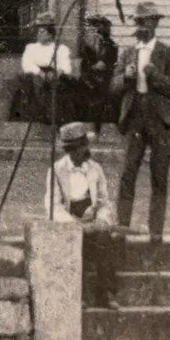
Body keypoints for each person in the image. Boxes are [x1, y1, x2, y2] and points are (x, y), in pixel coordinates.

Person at [113, 1, 170, 244]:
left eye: (146, 21)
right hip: (134, 119)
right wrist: (126, 77)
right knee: (127, 174)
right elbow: (113, 86)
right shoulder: (127, 53)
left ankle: (156, 232)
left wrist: (156, 75)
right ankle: (122, 227)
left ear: (155, 23)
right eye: (138, 22)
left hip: (160, 120)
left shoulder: (168, 53)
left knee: (159, 176)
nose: (141, 27)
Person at [50, 121, 121, 309]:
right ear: (70, 151)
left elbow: (105, 201)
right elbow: (53, 206)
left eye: (85, 146)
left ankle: (105, 293)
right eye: (80, 148)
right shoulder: (56, 171)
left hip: (92, 221)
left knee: (105, 238)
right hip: (69, 223)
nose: (85, 151)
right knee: (74, 242)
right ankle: (79, 295)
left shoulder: (95, 169)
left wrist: (101, 219)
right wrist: (73, 224)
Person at [13, 11, 76, 125]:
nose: (39, 35)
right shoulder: (31, 48)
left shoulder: (60, 48)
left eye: (42, 32)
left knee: (59, 87)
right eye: (38, 32)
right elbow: (27, 63)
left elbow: (65, 64)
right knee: (31, 84)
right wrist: (40, 73)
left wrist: (57, 73)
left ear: (50, 34)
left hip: (54, 75)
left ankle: (54, 117)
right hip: (35, 76)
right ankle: (39, 114)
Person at [77, 15, 119, 131]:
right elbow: (84, 65)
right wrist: (93, 67)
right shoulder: (87, 46)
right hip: (89, 77)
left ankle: (97, 128)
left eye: (102, 26)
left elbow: (110, 64)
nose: (97, 30)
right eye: (95, 26)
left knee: (103, 94)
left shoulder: (112, 46)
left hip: (105, 77)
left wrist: (104, 66)